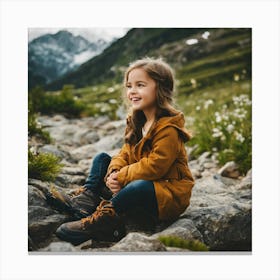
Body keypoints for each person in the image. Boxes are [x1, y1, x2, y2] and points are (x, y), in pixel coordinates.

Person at [55, 57, 195, 246]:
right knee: (102, 158)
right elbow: (125, 153)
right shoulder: (138, 121)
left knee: (137, 187)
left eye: (140, 85)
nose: (132, 91)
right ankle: (87, 201)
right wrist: (114, 172)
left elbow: (156, 167)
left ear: (160, 88)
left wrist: (122, 176)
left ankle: (104, 221)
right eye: (129, 86)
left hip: (165, 195)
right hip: (136, 182)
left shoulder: (168, 128)